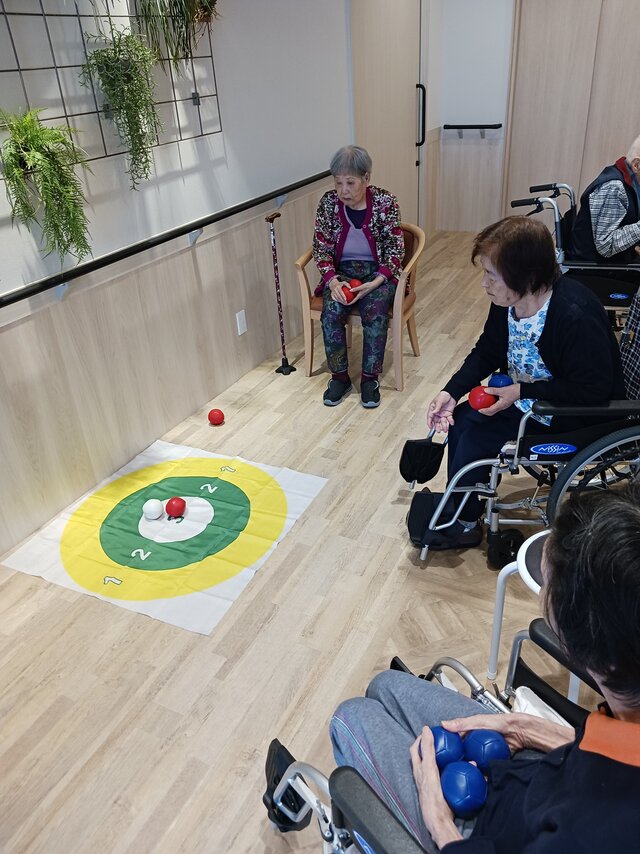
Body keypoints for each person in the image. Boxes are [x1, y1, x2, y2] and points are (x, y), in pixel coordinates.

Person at [330, 482, 640, 852]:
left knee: (351, 715)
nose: (542, 595)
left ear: (587, 651)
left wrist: (440, 824)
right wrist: (533, 730)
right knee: (386, 685)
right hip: (540, 775)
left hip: (484, 837)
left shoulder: (591, 835)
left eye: (547, 587)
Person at [423, 216, 625, 550]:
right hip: (525, 399)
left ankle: (463, 521)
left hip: (569, 413)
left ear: (526, 276)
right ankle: (463, 512)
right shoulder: (508, 302)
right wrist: (451, 390)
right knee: (461, 421)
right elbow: (487, 350)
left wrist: (523, 391)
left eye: (491, 275)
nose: (484, 284)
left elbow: (593, 389)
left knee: (474, 438)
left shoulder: (574, 314)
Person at [312, 145, 405, 408]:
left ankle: (369, 379)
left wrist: (375, 282)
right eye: (338, 182)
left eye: (350, 182)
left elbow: (396, 250)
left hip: (378, 274)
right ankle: (339, 377)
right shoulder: (328, 204)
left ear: (366, 178)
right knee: (331, 313)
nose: (343, 190)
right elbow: (320, 248)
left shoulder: (386, 202)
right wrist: (332, 281)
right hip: (341, 273)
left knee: (374, 313)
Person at [570, 134, 640, 263]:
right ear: (636, 165)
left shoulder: (632, 182)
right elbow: (605, 246)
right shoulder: (614, 187)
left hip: (618, 261)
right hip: (594, 268)